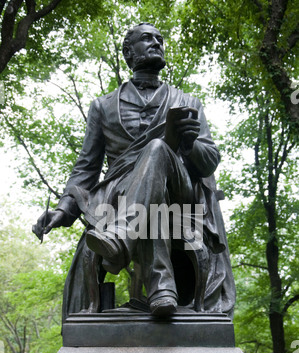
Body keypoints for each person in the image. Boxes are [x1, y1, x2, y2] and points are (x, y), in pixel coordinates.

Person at [33, 23, 235, 319]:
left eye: (159, 38)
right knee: (152, 200)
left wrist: (190, 144)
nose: (156, 42)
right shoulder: (102, 107)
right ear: (128, 52)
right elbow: (86, 167)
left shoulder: (188, 103)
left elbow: (210, 161)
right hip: (122, 193)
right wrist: (64, 210)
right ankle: (162, 289)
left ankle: (120, 238)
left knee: (156, 149)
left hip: (180, 193)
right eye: (147, 38)